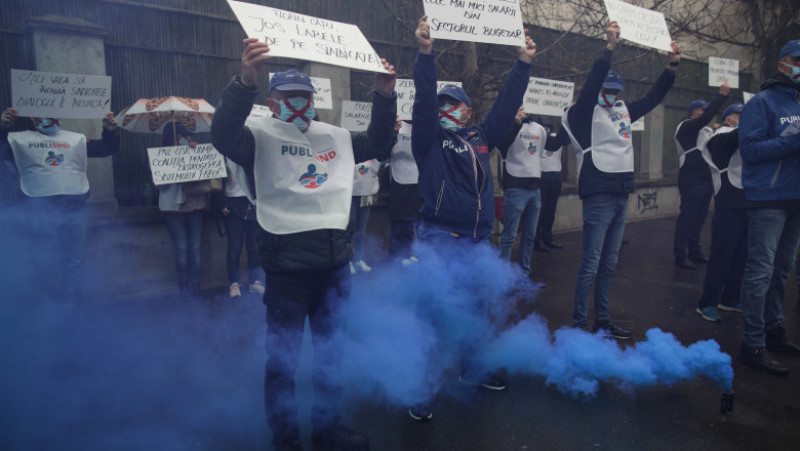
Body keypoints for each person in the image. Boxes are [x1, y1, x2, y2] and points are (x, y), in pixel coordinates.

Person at [210, 37, 397, 450]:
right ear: (273, 102)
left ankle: (328, 431)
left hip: (334, 270)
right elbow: (222, 134)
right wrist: (245, 82)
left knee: (331, 359)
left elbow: (380, 142)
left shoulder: (335, 136)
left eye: (305, 96)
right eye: (289, 96)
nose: (299, 104)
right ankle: (287, 440)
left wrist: (384, 95)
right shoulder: (256, 137)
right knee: (283, 364)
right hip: (288, 276)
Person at [410, 14, 537, 420]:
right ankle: (418, 389)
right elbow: (423, 100)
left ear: (467, 111)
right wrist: (425, 55)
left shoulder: (481, 137)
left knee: (474, 311)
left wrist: (523, 64)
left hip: (477, 242)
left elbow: (505, 106)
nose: (447, 110)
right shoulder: (429, 140)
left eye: (455, 105)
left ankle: (471, 371)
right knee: (434, 314)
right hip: (440, 239)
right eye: (442, 105)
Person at [560, 21, 681, 338]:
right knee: (591, 263)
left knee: (609, 263)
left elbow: (654, 97)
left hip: (620, 193)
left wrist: (671, 67)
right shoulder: (583, 112)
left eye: (616, 92)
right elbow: (589, 88)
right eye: (607, 91)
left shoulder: (625, 110)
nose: (612, 96)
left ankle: (601, 320)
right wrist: (610, 48)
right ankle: (578, 325)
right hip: (598, 194)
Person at [1, 107, 119, 302]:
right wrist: (3, 126)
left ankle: (70, 307)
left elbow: (106, 148)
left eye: (52, 112)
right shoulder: (19, 139)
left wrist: (109, 130)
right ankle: (46, 308)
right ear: (32, 117)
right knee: (44, 262)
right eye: (42, 112)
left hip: (75, 211)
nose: (48, 117)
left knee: (73, 262)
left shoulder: (75, 140)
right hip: (39, 213)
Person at [736, 39, 800, 376]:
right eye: (797, 60)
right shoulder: (762, 102)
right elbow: (750, 150)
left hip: (795, 199)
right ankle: (752, 343)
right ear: (782, 64)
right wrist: (794, 140)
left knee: (782, 272)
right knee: (760, 272)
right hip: (769, 199)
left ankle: (773, 332)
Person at [496, 108, 562, 281]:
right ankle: (502, 277)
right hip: (515, 186)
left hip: (535, 188)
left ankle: (524, 274)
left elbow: (553, 145)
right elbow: (502, 144)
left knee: (529, 236)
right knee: (509, 236)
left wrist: (570, 122)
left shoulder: (539, 128)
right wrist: (516, 123)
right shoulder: (508, 125)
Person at [695, 103, 746, 322]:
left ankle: (730, 298)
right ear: (728, 119)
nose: (744, 119)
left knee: (741, 255)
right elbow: (730, 142)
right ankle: (707, 302)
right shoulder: (720, 137)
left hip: (747, 200)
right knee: (722, 255)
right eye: (740, 116)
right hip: (729, 201)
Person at [673, 83, 731, 269]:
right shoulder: (686, 127)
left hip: (706, 180)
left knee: (699, 219)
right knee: (688, 218)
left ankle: (695, 251)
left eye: (704, 111)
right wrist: (721, 96)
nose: (703, 113)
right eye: (699, 110)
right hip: (691, 180)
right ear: (692, 112)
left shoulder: (706, 131)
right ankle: (680, 254)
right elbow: (705, 119)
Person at [157, 122, 208, 299]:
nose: (186, 139)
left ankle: (195, 286)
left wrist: (194, 155)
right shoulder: (159, 156)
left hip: (195, 206)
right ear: (171, 136)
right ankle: (183, 287)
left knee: (194, 249)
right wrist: (173, 169)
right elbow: (159, 183)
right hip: (172, 208)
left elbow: (205, 173)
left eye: (187, 135)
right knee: (181, 249)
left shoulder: (191, 150)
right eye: (181, 135)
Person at [219, 157, 265, 298]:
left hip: (251, 200)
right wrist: (221, 203)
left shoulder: (249, 150)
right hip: (231, 200)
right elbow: (215, 179)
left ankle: (255, 282)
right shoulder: (222, 154)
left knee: (253, 246)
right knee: (234, 246)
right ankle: (234, 283)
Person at [388, 118, 421, 261]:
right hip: (401, 178)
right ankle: (399, 256)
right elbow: (382, 151)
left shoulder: (426, 122)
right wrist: (391, 133)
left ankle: (414, 253)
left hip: (421, 178)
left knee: (420, 222)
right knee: (401, 222)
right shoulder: (396, 125)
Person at [534, 117, 567, 251]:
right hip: (542, 176)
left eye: (549, 128)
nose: (547, 130)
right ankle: (537, 240)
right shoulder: (536, 138)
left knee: (551, 211)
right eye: (544, 128)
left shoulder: (555, 137)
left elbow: (568, 135)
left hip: (555, 176)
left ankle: (548, 238)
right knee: (540, 211)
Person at [349, 158, 382, 273]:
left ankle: (358, 259)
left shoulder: (373, 149)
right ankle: (348, 261)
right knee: (349, 230)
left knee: (361, 230)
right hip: (350, 194)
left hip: (368, 194)